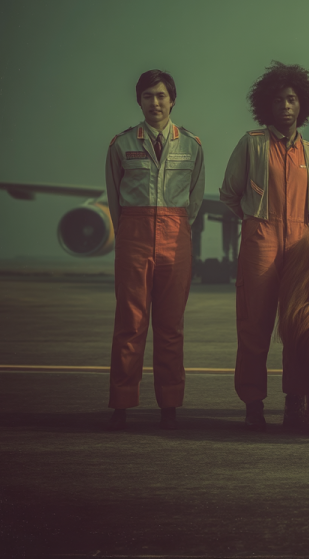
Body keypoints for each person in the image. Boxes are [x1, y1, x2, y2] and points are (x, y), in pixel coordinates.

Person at [219, 61, 309, 430]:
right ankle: (253, 405)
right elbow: (229, 193)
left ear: (302, 105)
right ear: (268, 105)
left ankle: (296, 402)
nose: (286, 106)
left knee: (297, 328)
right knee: (254, 327)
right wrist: (253, 219)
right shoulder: (252, 144)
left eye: (292, 99)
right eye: (279, 100)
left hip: (299, 243)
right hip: (260, 239)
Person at [105, 69, 205, 430]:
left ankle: (170, 405)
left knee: (170, 326)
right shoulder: (120, 144)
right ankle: (121, 404)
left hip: (175, 236)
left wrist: (175, 227)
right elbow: (114, 196)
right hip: (133, 235)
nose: (155, 102)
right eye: (148, 96)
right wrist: (132, 229)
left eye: (161, 95)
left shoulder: (191, 145)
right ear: (139, 101)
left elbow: (194, 200)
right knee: (129, 324)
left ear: (172, 99)